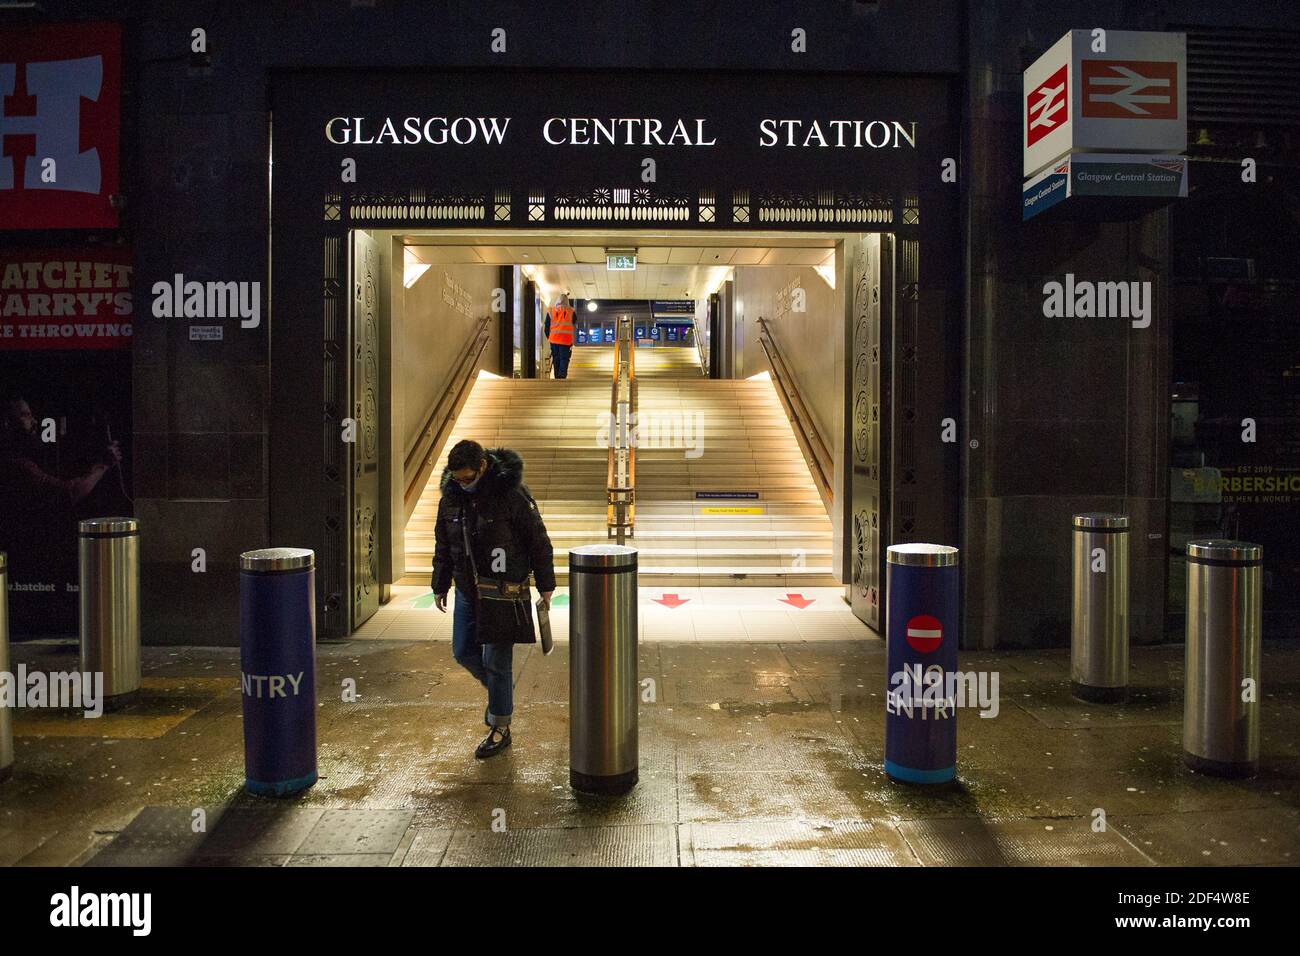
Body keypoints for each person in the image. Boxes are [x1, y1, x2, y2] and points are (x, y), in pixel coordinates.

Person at [432, 439, 556, 758]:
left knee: (497, 661)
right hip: (467, 590)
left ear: (483, 466)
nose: (463, 483)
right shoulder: (451, 499)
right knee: (462, 651)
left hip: (502, 592)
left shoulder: (511, 494)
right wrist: (439, 583)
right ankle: (502, 696)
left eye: (468, 477)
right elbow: (444, 545)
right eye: (457, 478)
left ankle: (500, 725)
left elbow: (538, 539)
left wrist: (546, 584)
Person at [543, 292, 576, 380]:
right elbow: (574, 323)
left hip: (554, 340)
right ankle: (562, 376)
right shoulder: (572, 311)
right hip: (566, 340)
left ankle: (557, 376)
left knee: (556, 358)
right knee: (564, 358)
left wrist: (549, 337)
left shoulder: (551, 311)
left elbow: (546, 326)